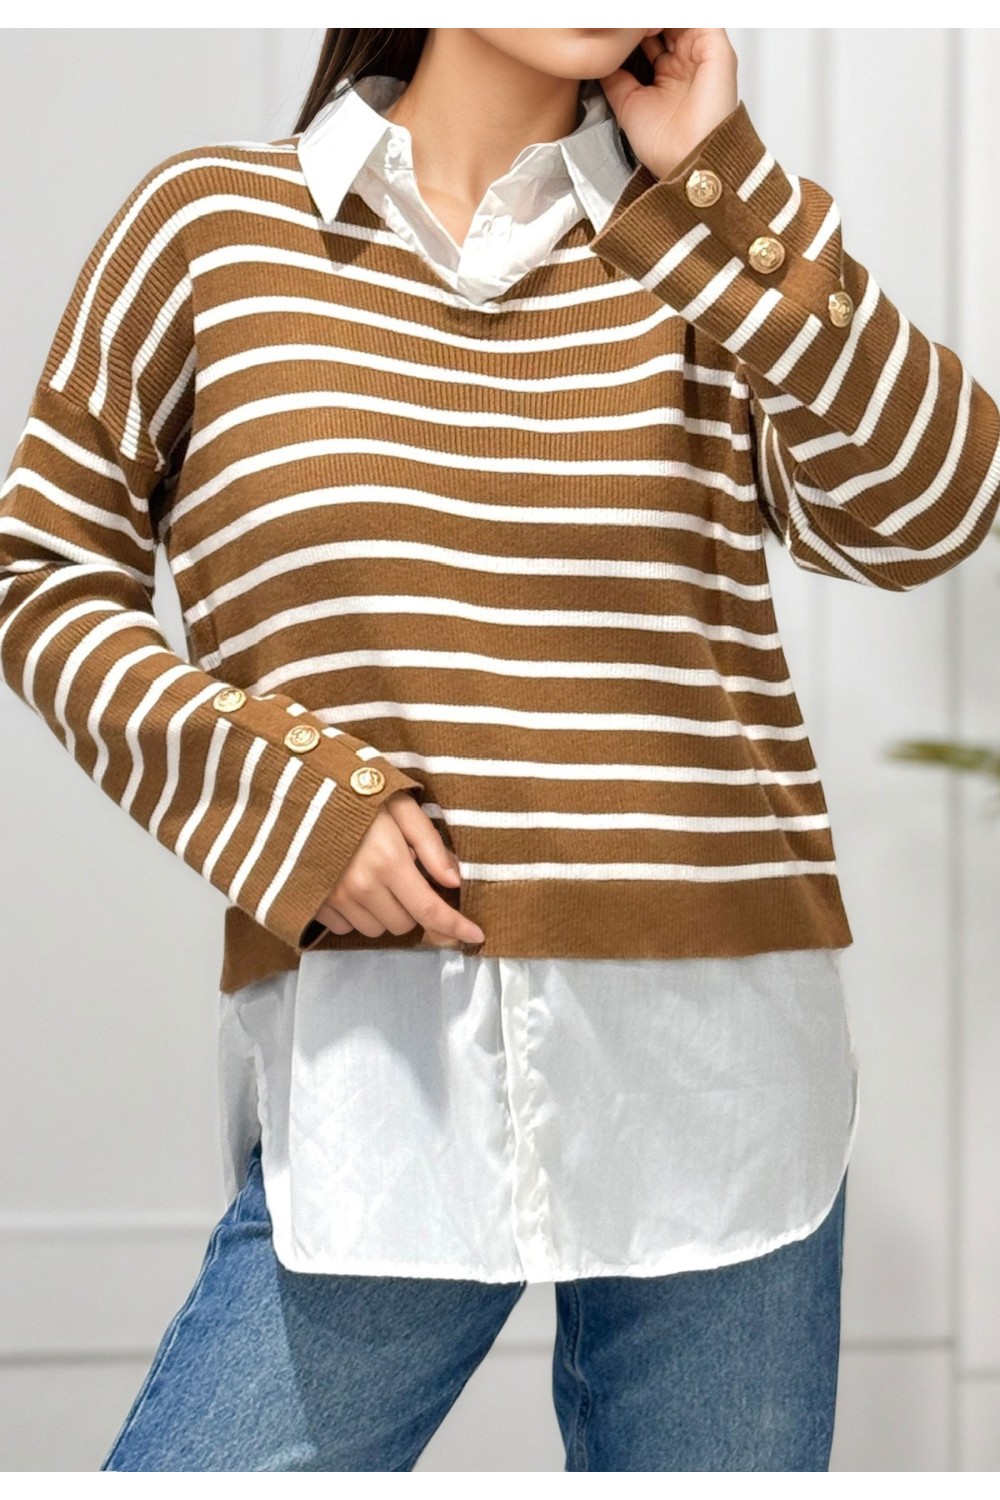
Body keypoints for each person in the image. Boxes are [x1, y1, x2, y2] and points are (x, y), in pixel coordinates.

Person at [1, 27, 996, 1473]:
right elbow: (41, 577)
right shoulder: (208, 230)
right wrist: (293, 805)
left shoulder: (694, 242)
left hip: (721, 1077)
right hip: (389, 1066)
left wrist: (724, 181)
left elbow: (935, 504)